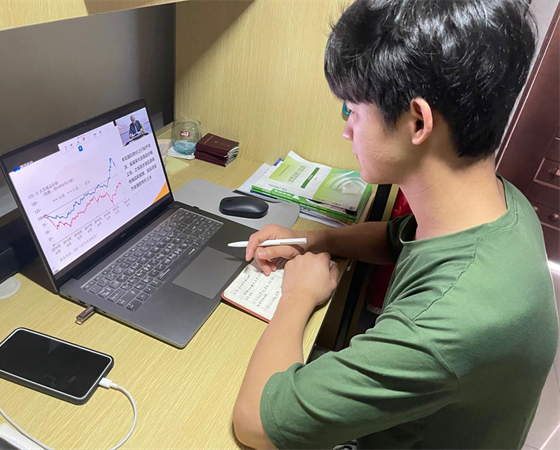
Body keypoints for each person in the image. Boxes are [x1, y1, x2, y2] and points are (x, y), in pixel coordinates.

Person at [232, 1, 558, 449]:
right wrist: (311, 239)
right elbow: (394, 240)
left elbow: (254, 423)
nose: (347, 130)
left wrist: (298, 296)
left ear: (417, 122)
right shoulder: (500, 205)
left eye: (353, 110)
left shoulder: (444, 324)